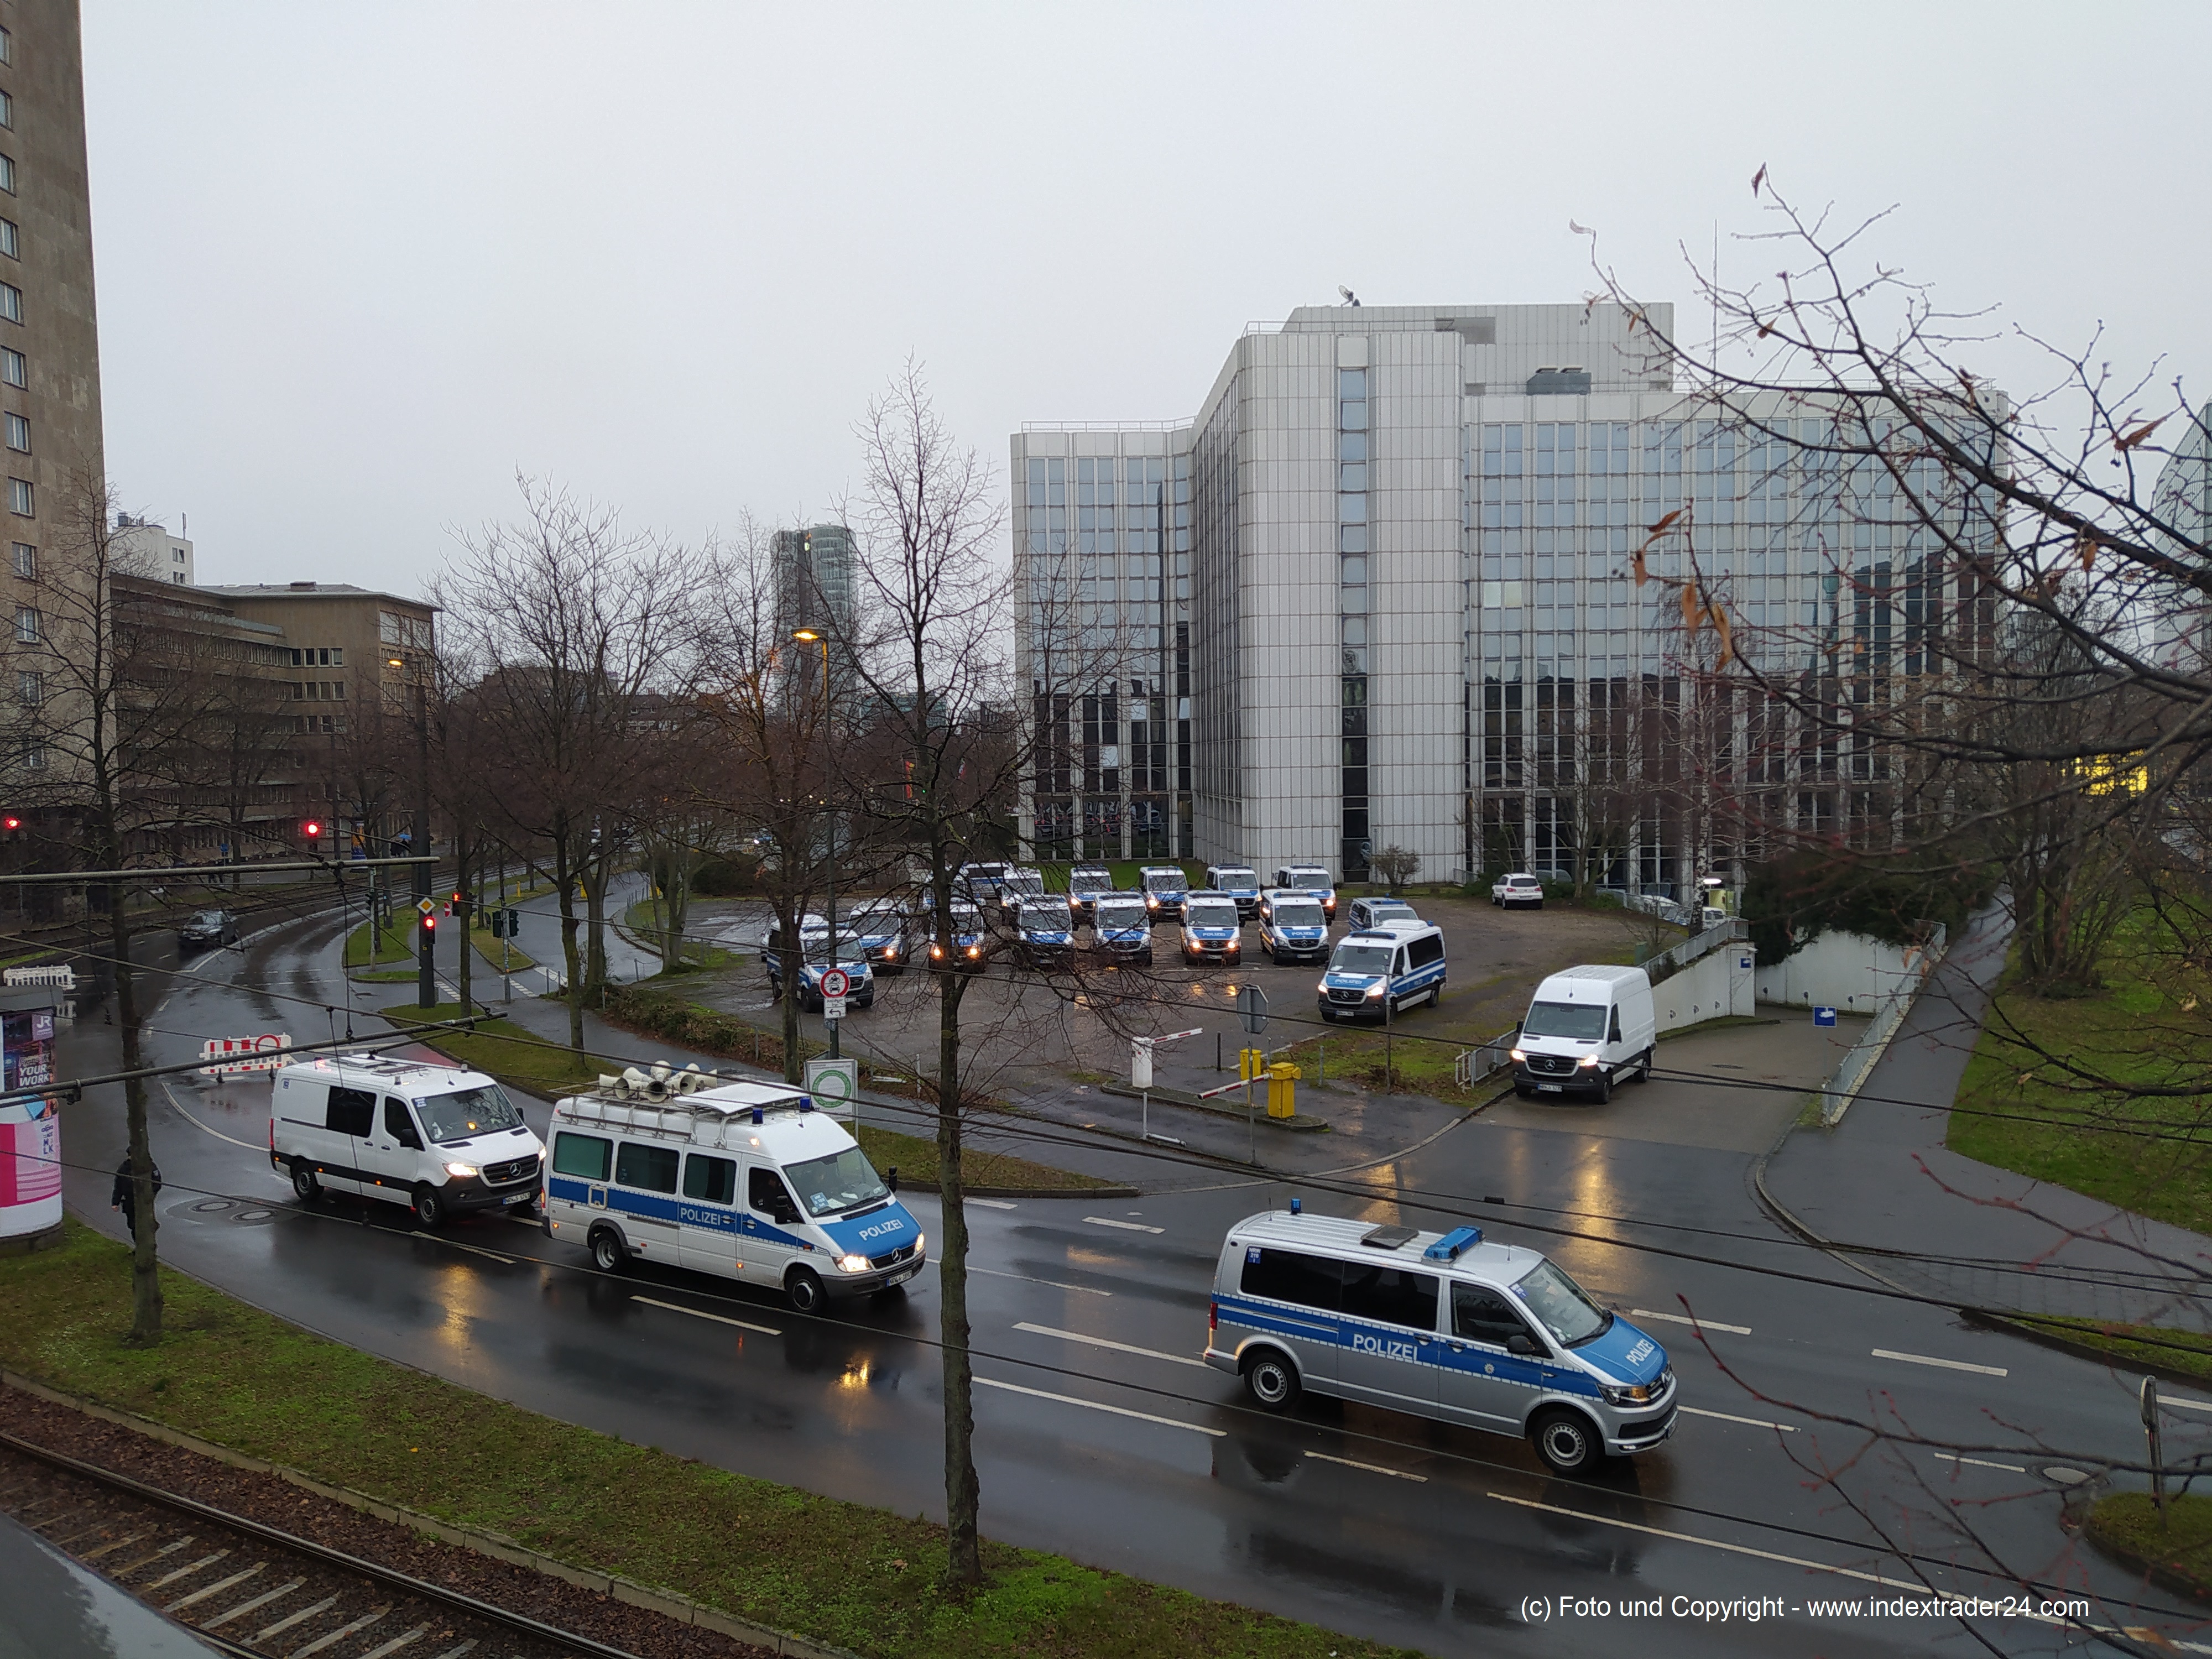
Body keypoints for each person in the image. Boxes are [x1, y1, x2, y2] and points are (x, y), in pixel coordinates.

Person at [111, 1154, 161, 1244]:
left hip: (144, 1202)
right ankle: (139, 1246)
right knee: (133, 1226)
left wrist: (149, 1196)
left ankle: (147, 1248)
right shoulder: (124, 1168)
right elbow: (118, 1187)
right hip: (130, 1202)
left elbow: (157, 1183)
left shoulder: (149, 1166)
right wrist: (115, 1202)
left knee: (145, 1225)